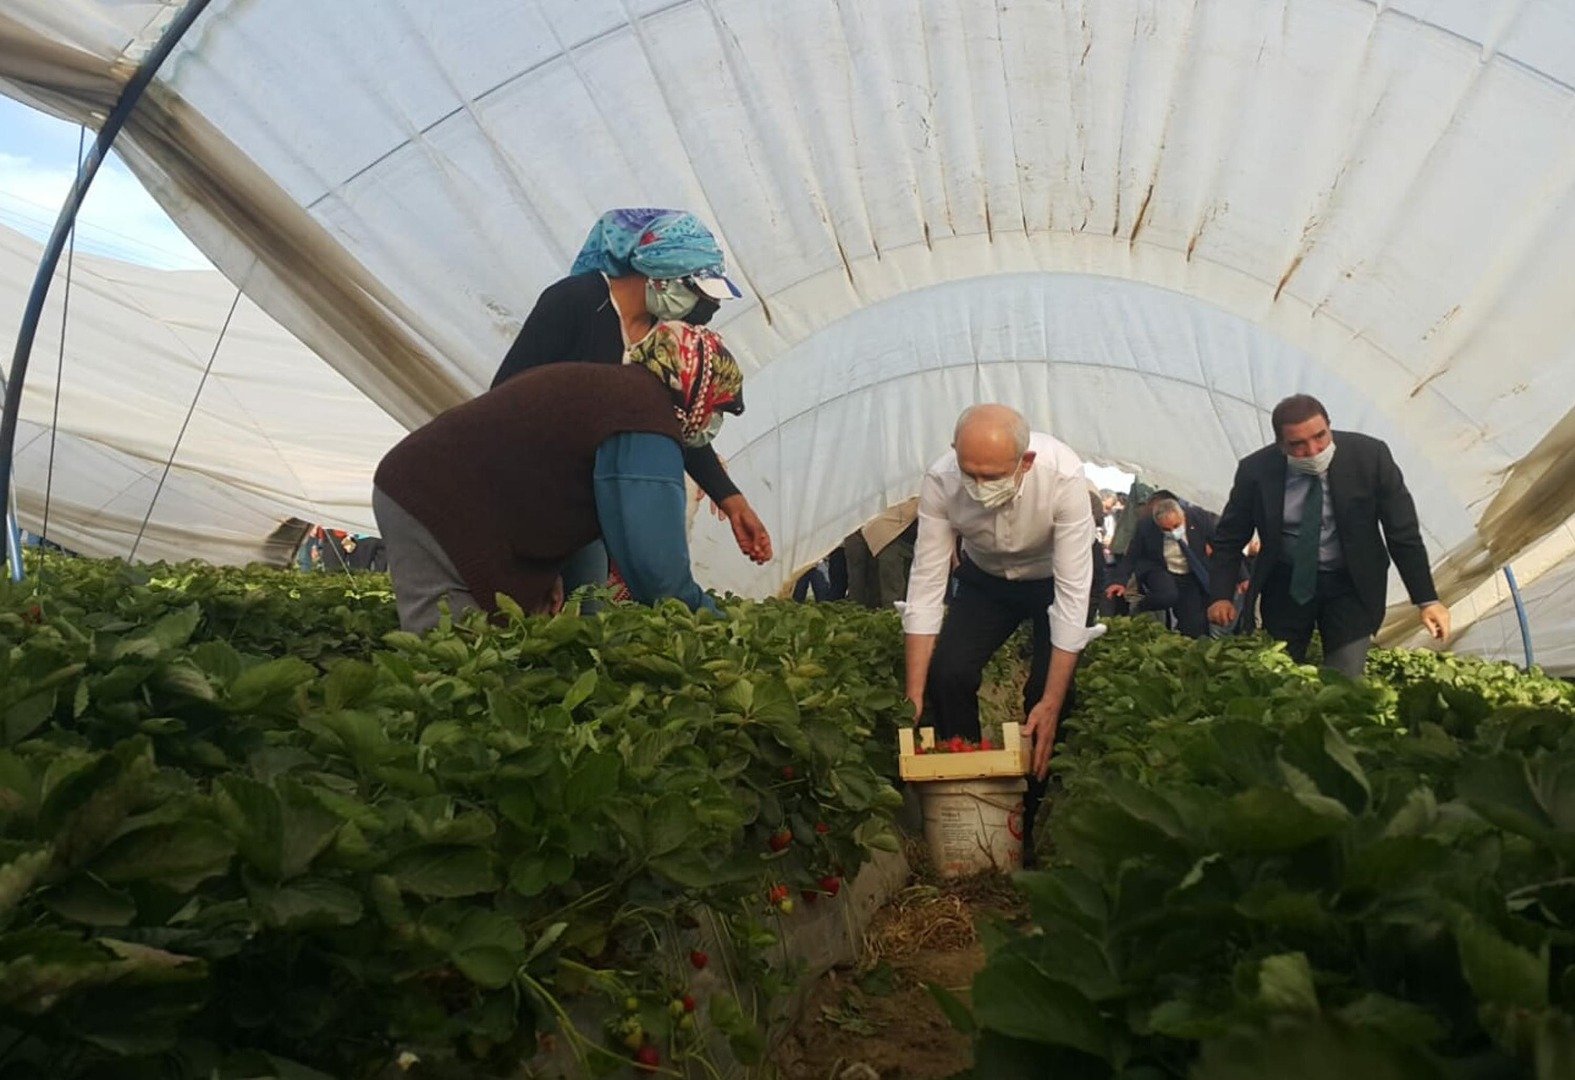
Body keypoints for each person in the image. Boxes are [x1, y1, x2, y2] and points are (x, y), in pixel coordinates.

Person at [373, 323, 742, 633]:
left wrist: (552, 569)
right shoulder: (644, 413)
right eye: (719, 409)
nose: (714, 424)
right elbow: (656, 568)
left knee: (488, 653)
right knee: (450, 657)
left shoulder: (619, 393)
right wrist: (716, 622)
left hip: (434, 491)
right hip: (431, 500)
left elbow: (556, 482)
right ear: (698, 389)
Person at [490, 209, 770, 587]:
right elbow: (507, 396)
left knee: (586, 610)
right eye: (698, 291)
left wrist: (733, 501)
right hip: (539, 487)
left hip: (589, 502)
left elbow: (676, 424)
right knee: (521, 604)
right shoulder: (577, 301)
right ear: (663, 274)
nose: (706, 307)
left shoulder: (666, 339)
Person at [899, 404, 1102, 863]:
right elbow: (927, 585)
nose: (978, 486)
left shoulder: (1063, 475)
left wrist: (1051, 701)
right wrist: (912, 696)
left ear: (1025, 462)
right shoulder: (941, 480)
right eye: (970, 473)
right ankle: (969, 787)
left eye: (992, 476)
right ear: (954, 455)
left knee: (1046, 698)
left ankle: (1027, 820)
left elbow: (1071, 602)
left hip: (1053, 578)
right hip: (986, 579)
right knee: (949, 673)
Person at [1206, 394, 1450, 676]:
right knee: (1279, 671)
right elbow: (1230, 538)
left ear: (1329, 426)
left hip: (1351, 583)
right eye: (1298, 444)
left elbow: (1402, 533)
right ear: (1280, 444)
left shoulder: (1370, 457)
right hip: (1287, 585)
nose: (1313, 450)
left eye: (1320, 437)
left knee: (1344, 676)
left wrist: (1426, 599)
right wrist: (1220, 595)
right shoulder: (1256, 471)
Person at [1107, 497, 1218, 638]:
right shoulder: (1145, 526)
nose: (1172, 532)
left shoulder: (1199, 517)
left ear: (1182, 515)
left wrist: (1242, 577)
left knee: (1194, 625)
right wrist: (1119, 581)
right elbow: (1131, 556)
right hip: (1159, 568)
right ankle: (1141, 605)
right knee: (1167, 595)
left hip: (1190, 573)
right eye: (1165, 529)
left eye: (1176, 526)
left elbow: (1221, 547)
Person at [844, 497, 920, 610]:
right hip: (889, 538)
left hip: (885, 535)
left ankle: (863, 611)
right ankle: (886, 617)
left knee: (874, 584)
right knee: (891, 590)